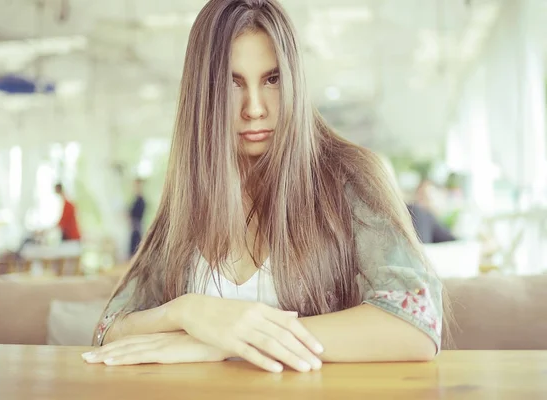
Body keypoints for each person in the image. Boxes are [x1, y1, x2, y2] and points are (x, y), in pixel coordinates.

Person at [82, 0, 450, 373]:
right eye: (232, 82)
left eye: (272, 80)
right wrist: (191, 312)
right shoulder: (190, 196)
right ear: (202, 94)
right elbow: (108, 328)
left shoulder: (350, 176)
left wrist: (234, 342)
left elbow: (416, 323)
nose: (254, 108)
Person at [128, 178, 146, 258]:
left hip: (137, 229)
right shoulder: (135, 200)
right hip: (133, 229)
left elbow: (136, 215)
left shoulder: (141, 201)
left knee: (135, 252)